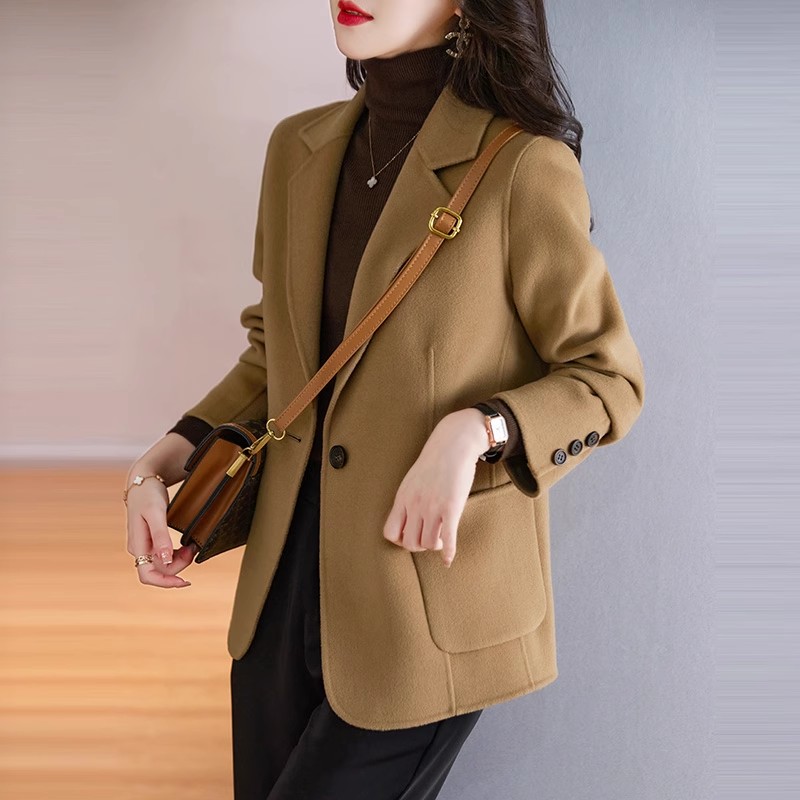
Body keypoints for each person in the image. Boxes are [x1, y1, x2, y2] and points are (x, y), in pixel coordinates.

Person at [123, 2, 645, 797]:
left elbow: (606, 378)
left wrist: (475, 431)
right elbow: (277, 354)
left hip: (422, 615)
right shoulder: (297, 149)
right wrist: (165, 457)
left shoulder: (521, 166)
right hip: (280, 594)